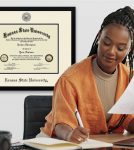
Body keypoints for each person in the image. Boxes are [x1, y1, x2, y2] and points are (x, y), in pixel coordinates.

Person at [37, 6, 134, 143]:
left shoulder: (130, 78)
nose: (112, 52)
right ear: (99, 37)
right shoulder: (70, 79)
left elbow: (127, 120)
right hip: (58, 142)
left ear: (130, 48)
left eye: (120, 48)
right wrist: (70, 134)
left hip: (101, 143)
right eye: (107, 42)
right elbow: (61, 124)